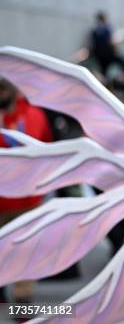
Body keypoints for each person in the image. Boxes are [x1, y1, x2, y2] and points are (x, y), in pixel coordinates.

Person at [0, 79, 53, 305]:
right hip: (4, 200)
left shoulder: (34, 115)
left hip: (28, 199)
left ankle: (22, 302)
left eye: (3, 89)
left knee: (26, 251)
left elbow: (47, 149)